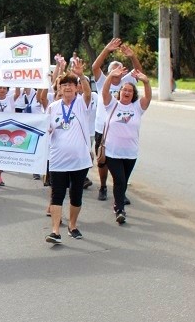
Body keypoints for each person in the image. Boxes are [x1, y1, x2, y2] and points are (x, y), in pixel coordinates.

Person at [44, 59, 92, 244]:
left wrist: (81, 75)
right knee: (57, 195)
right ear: (59, 89)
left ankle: (73, 225)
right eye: (64, 85)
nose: (68, 88)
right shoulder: (53, 108)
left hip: (79, 160)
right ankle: (55, 230)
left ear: (76, 88)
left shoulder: (82, 103)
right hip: (57, 160)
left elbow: (88, 92)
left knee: (76, 194)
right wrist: (47, 130)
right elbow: (46, 128)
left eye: (71, 85)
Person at [91, 38, 142, 202]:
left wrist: (132, 56)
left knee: (121, 161)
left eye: (120, 69)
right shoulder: (102, 82)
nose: (117, 73)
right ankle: (103, 186)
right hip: (102, 128)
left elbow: (139, 73)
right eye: (114, 70)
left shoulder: (127, 82)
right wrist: (106, 50)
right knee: (103, 160)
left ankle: (120, 192)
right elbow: (95, 67)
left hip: (121, 130)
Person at [101, 67, 151, 224]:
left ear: (133, 94)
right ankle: (120, 209)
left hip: (130, 153)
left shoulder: (137, 107)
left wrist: (146, 82)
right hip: (112, 152)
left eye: (130, 90)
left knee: (123, 181)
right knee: (120, 180)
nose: (127, 92)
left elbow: (148, 98)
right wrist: (110, 76)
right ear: (120, 92)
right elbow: (104, 92)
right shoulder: (112, 105)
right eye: (124, 90)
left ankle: (118, 202)